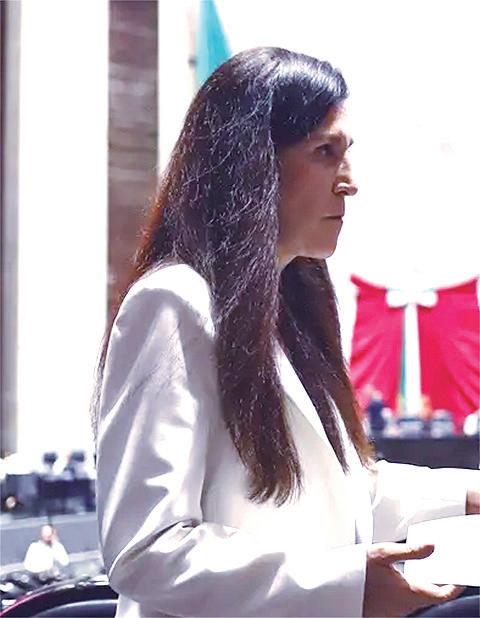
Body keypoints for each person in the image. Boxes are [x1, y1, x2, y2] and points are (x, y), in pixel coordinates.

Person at [93, 47, 480, 617]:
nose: (349, 183)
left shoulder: (290, 308)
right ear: (252, 164)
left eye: (346, 153)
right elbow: (148, 549)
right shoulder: (173, 302)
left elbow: (345, 491)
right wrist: (344, 587)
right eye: (325, 153)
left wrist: (470, 494)